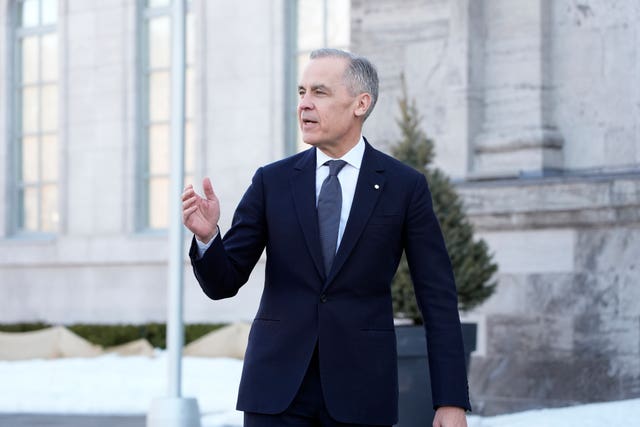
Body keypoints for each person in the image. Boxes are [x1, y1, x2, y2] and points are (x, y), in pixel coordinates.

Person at [182, 48, 470, 427]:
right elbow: (224, 282)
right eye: (301, 92)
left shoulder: (405, 187)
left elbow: (437, 297)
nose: (304, 104)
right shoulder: (272, 181)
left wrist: (450, 400)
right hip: (276, 393)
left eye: (319, 92)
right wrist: (208, 239)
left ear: (360, 104)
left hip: (362, 393)